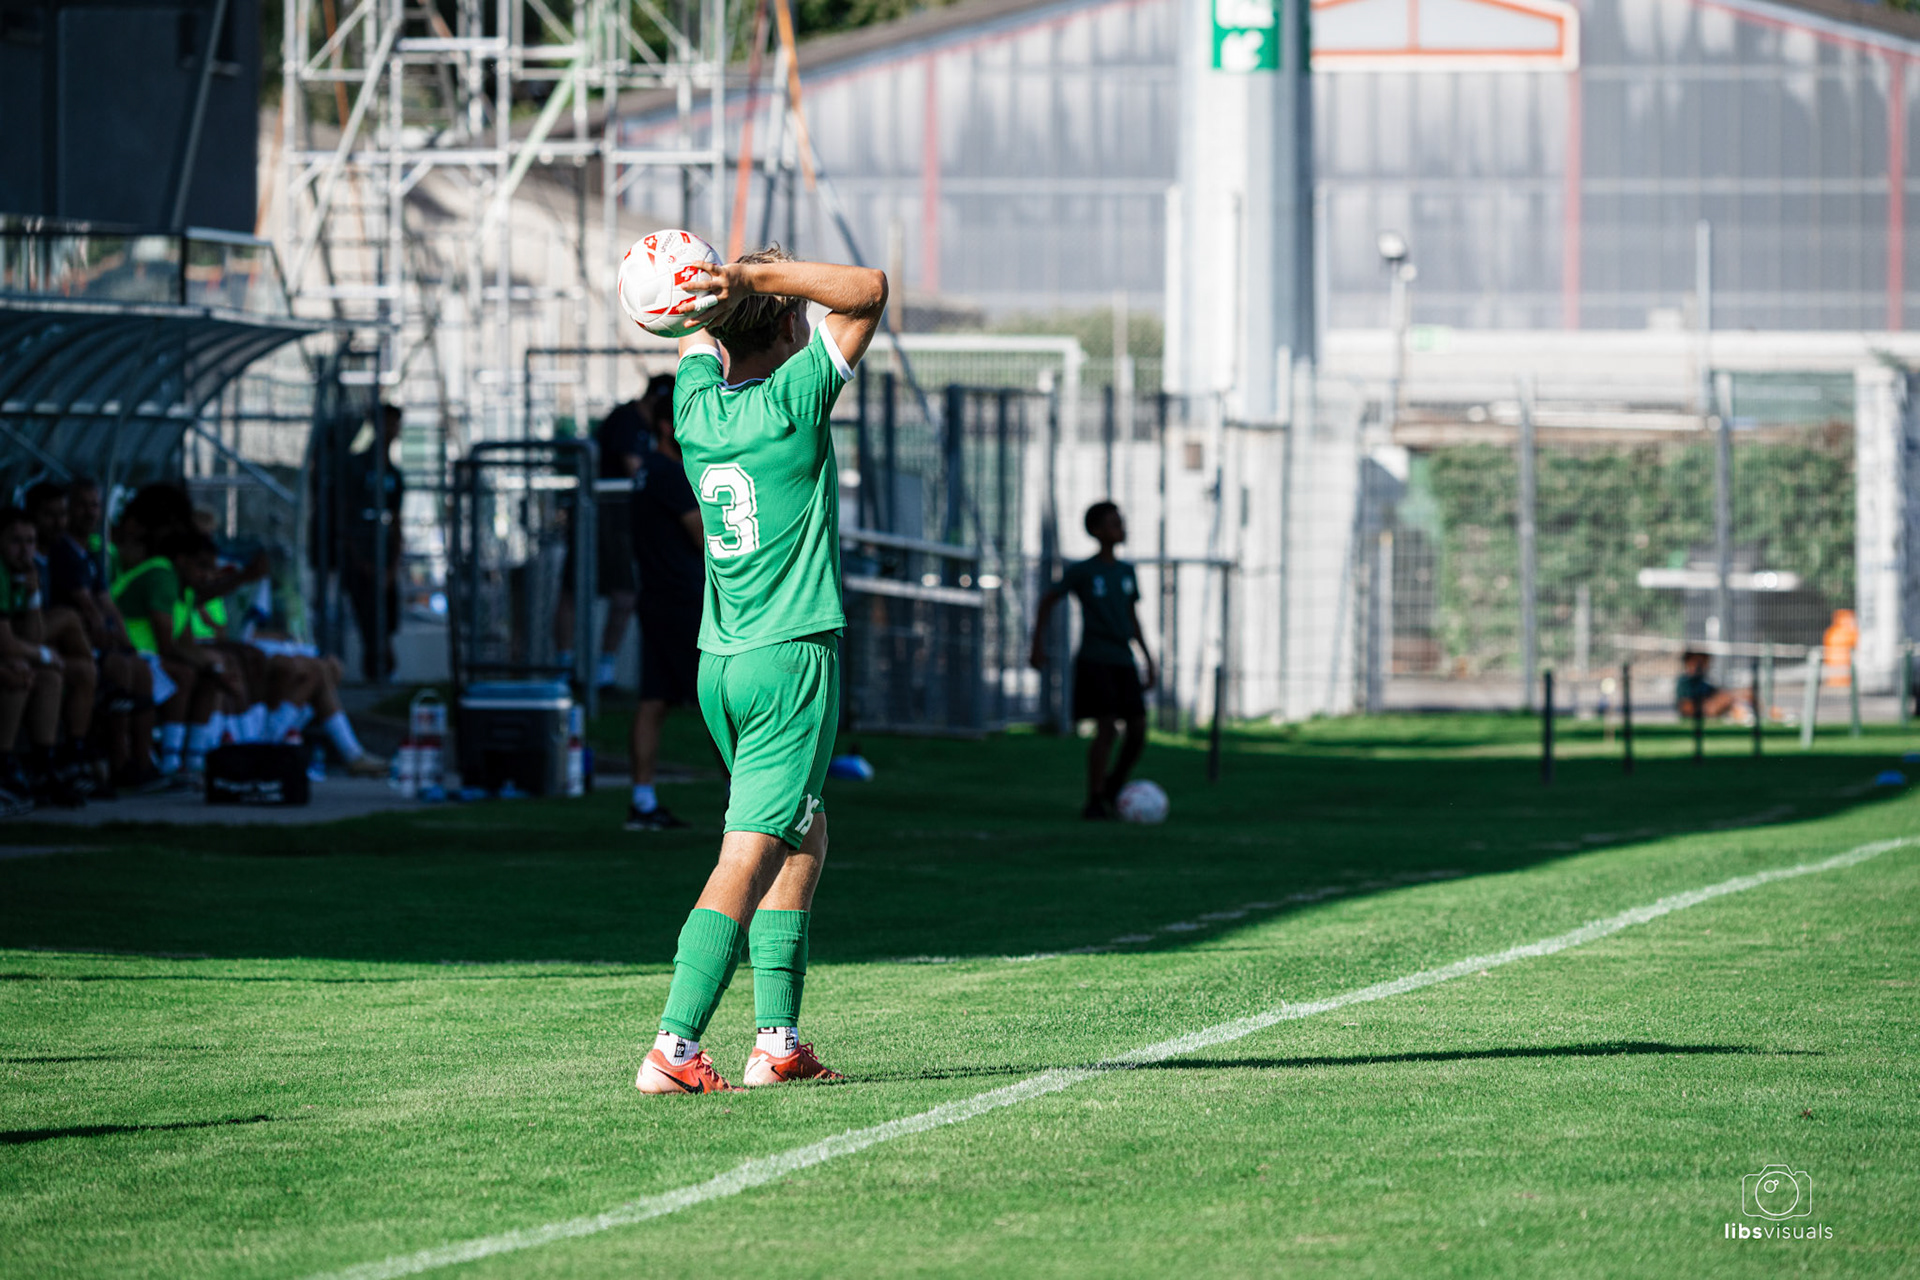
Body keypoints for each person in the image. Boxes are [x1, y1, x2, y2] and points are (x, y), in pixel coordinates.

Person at [633, 245, 886, 1096]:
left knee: (802, 833)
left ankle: (777, 1042)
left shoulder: (696, 408)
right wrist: (750, 275)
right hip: (790, 658)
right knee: (748, 851)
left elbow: (687, 337)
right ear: (786, 321)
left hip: (724, 665)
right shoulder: (794, 398)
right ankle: (673, 1047)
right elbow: (869, 291)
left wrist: (703, 290)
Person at [1029, 501, 1157, 820]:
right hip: (1095, 658)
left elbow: (1131, 616)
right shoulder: (1083, 571)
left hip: (1123, 659)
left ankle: (1114, 787)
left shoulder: (1127, 572)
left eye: (1121, 522)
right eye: (1114, 524)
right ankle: (1095, 798)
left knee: (1139, 728)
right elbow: (1048, 600)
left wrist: (1148, 657)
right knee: (1107, 728)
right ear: (1097, 531)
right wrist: (1037, 644)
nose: (1121, 528)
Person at [624, 372, 705, 832]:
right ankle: (745, 807)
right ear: (666, 427)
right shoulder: (670, 474)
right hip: (681, 601)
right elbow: (702, 538)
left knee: (653, 701)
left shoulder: (646, 474)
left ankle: (642, 800)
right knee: (720, 701)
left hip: (655, 598)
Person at [0, 506, 82, 809]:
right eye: (16, 541)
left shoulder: (23, 573)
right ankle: (5, 767)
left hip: (14, 653)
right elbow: (8, 644)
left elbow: (31, 636)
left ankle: (43, 766)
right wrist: (46, 654)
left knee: (50, 677)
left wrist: (34, 595)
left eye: (30, 541)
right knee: (19, 673)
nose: (25, 550)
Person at [343, 404, 405, 681]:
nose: (391, 430)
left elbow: (397, 520)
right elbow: (345, 518)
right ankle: (374, 672)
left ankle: (383, 669)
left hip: (384, 556)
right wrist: (360, 561)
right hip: (362, 555)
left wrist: (393, 565)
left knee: (387, 616)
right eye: (386, 423)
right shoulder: (356, 466)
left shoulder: (394, 473)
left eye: (395, 424)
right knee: (368, 617)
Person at [1676, 650, 1752, 722]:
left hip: (1706, 710)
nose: (1702, 665)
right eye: (1698, 661)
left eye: (1704, 662)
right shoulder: (1685, 682)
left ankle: (1742, 716)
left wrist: (1740, 694)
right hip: (1697, 713)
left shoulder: (1703, 682)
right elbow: (1687, 707)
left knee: (1730, 698)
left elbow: (1719, 693)